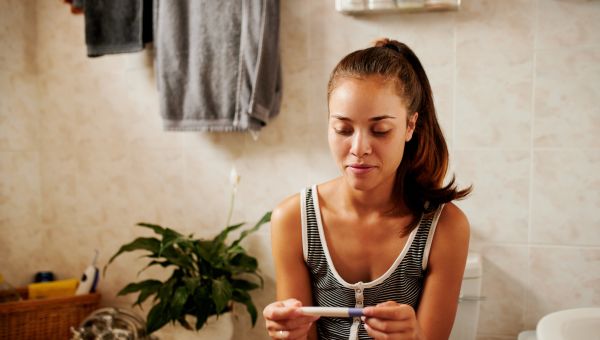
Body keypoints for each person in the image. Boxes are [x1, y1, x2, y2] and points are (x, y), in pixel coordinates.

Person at [263, 38, 471, 340]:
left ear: (410, 126)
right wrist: (288, 333)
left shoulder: (446, 227)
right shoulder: (292, 219)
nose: (358, 149)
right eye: (343, 129)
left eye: (380, 130)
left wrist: (413, 337)